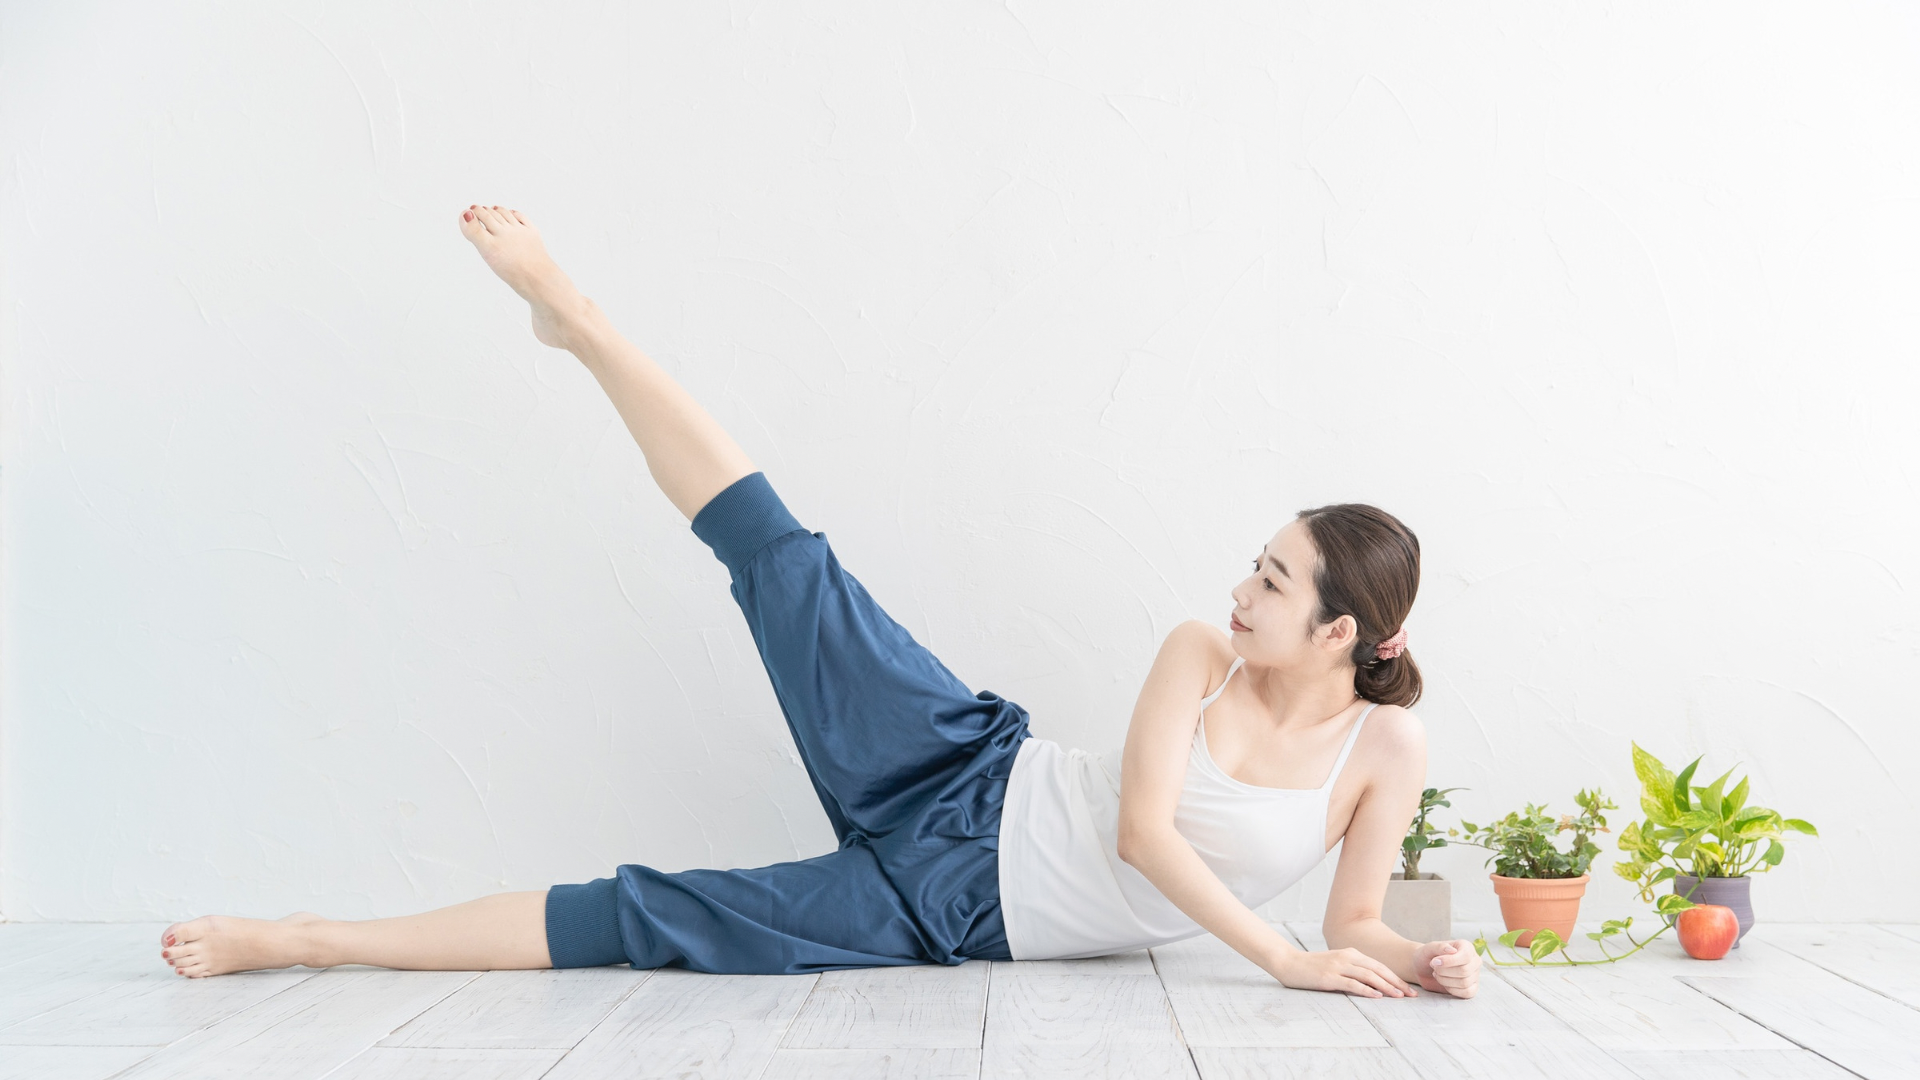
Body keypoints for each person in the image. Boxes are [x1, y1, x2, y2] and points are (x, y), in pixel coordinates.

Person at [157, 205, 1480, 1001]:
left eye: (1268, 581)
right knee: (785, 561)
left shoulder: (1388, 749)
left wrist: (1414, 965)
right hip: (971, 765)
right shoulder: (1198, 652)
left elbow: (1355, 919)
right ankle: (583, 320)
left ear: (1340, 635)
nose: (1234, 591)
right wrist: (1284, 962)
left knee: (640, 919)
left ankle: (303, 937)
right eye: (1251, 564)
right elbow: (1141, 834)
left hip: (956, 913)